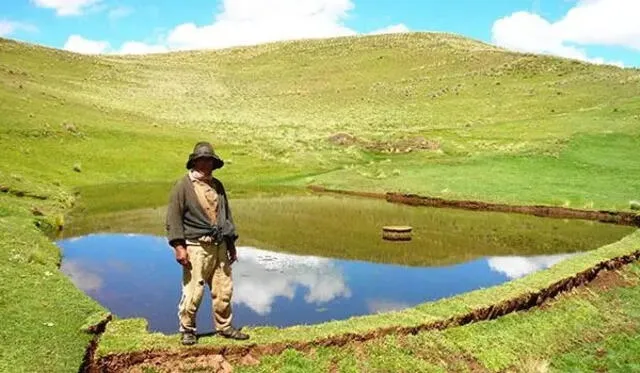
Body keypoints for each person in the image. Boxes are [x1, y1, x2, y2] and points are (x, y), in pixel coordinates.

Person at [165, 141, 249, 345]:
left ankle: (225, 327)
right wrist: (179, 247)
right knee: (194, 290)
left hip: (219, 244)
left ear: (213, 162)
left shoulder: (217, 185)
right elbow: (173, 218)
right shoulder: (183, 186)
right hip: (196, 246)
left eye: (209, 160)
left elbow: (225, 216)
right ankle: (187, 329)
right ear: (195, 162)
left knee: (224, 289)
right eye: (202, 160)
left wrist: (231, 244)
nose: (206, 164)